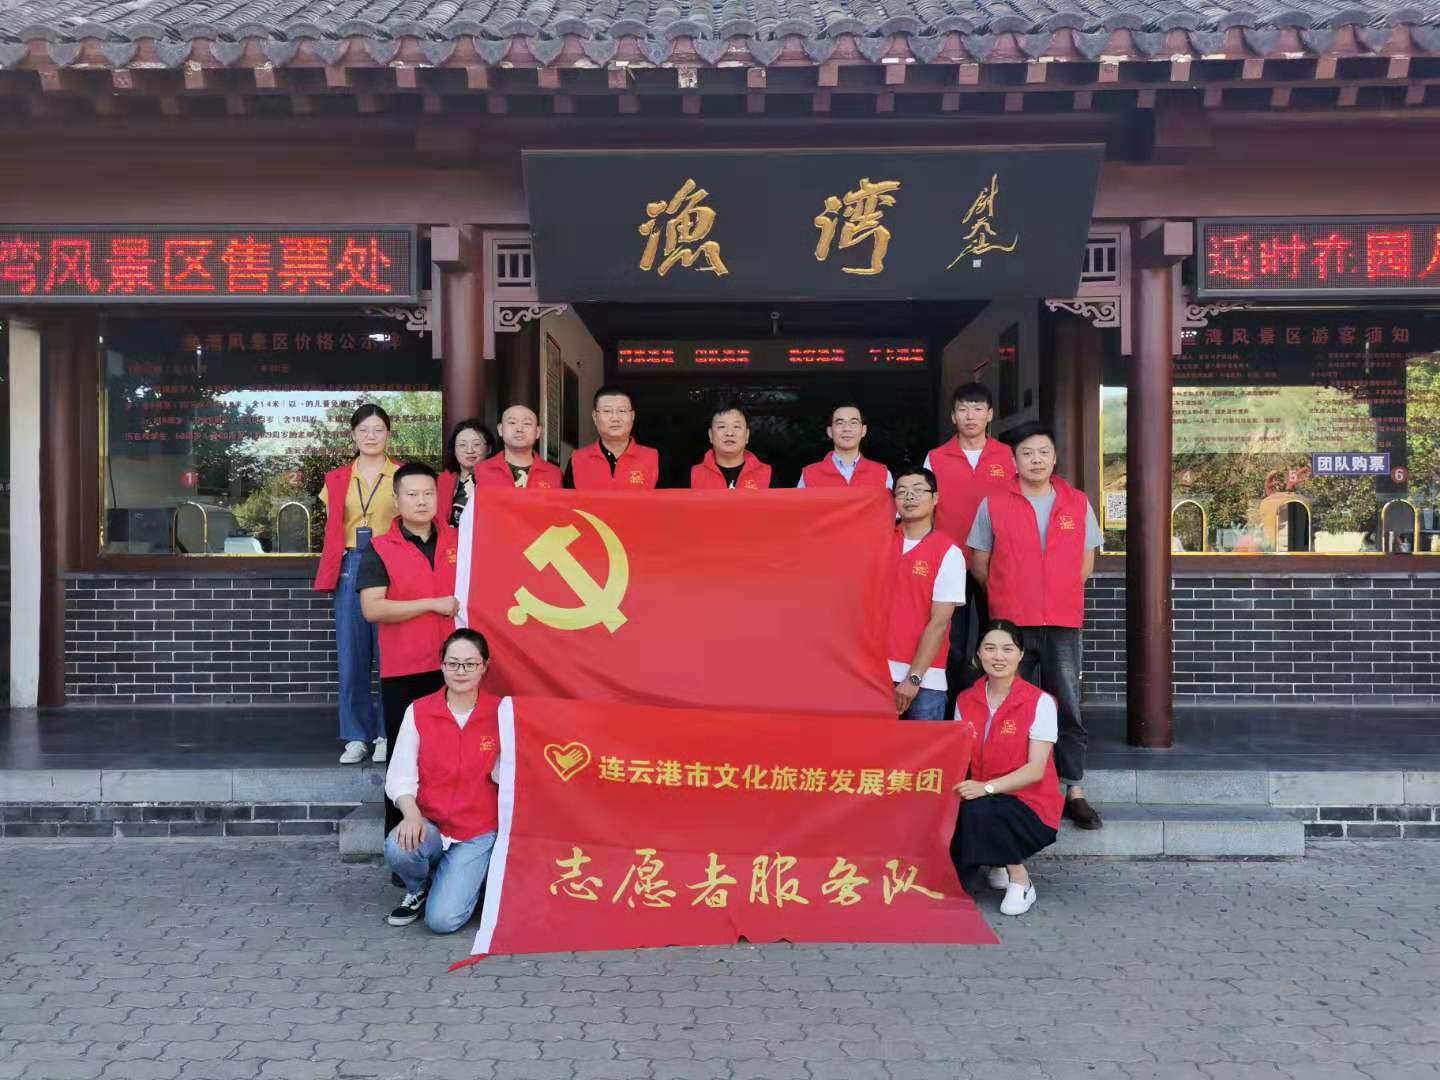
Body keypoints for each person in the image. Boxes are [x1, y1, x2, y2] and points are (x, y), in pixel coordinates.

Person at [967, 422, 1105, 830]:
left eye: (1043, 452)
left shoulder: (1077, 502)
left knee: (1068, 704)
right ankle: (1016, 786)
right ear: (1014, 460)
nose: (1036, 460)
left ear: (1055, 457)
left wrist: (1057, 593)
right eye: (1027, 453)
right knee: (1012, 706)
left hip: (1062, 620)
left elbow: (1086, 562)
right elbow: (980, 563)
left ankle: (1073, 789)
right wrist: (1008, 595)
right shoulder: (994, 503)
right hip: (1012, 626)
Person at [358, 462, 460, 835]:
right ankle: (401, 842)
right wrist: (431, 604)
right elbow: (373, 608)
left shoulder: (462, 540)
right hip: (405, 670)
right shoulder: (379, 548)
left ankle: (454, 836)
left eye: (429, 493)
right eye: (412, 494)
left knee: (455, 755)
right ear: (396, 499)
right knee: (406, 757)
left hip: (458, 669)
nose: (421, 501)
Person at [383, 628, 502, 933]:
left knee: (442, 921)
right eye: (453, 663)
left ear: (484, 666)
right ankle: (418, 888)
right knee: (399, 846)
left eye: (470, 664)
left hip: (476, 832)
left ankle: (466, 879)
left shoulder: (501, 713)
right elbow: (400, 775)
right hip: (431, 824)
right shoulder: (419, 711)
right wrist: (411, 816)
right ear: (442, 665)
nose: (461, 671)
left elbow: (509, 775)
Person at [950, 620, 1062, 917]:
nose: (998, 656)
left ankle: (1019, 877)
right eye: (990, 648)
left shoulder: (1040, 702)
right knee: (957, 809)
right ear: (978, 653)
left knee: (978, 808)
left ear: (1020, 654)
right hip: (983, 799)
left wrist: (986, 788)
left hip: (1031, 806)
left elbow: (1035, 770)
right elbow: (959, 759)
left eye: (1007, 649)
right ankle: (993, 858)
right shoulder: (965, 700)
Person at [314, 404, 398, 765]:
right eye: (364, 430)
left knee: (390, 653)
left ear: (389, 434)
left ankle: (385, 733)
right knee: (352, 655)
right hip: (351, 564)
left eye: (378, 429)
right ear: (353, 435)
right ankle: (355, 736)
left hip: (391, 564)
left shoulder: (401, 475)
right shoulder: (336, 479)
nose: (371, 436)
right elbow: (333, 528)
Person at [925, 383, 1017, 699]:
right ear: (953, 416)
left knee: (999, 637)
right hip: (950, 562)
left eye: (977, 409)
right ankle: (955, 707)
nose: (970, 415)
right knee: (952, 642)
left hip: (998, 562)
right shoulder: (935, 458)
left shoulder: (1007, 456)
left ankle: (994, 703)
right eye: (963, 409)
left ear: (989, 414)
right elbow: (924, 507)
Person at [889, 467, 967, 720]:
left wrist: (914, 678)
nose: (909, 497)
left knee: (924, 747)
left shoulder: (948, 552)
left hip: (926, 681)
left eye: (918, 490)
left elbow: (939, 622)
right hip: (874, 674)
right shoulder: (879, 542)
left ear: (935, 498)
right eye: (902, 491)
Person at [564, 386, 660, 489]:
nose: (615, 418)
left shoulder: (653, 458)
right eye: (607, 411)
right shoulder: (577, 460)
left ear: (632, 416)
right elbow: (565, 499)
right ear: (595, 417)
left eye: (622, 411)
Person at [797, 404, 892, 489]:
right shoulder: (809, 474)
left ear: (863, 430)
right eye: (840, 423)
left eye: (853, 423)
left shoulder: (882, 473)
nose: (847, 428)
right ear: (829, 431)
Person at [473, 405, 563, 490]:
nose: (519, 429)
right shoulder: (480, 471)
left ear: (538, 432)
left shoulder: (554, 474)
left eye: (527, 423)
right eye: (512, 422)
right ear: (500, 429)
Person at [690, 402, 773, 489]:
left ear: (747, 435)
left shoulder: (767, 474)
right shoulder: (693, 475)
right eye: (722, 427)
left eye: (736, 426)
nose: (729, 433)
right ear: (710, 435)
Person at [437, 419, 493, 527]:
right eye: (462, 445)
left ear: (489, 449)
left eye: (476, 444)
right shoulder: (442, 481)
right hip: (446, 536)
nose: (469, 450)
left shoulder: (499, 480)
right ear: (454, 450)